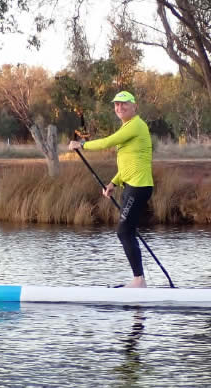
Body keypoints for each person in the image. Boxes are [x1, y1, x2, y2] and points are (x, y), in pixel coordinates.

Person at [68, 91, 153, 288]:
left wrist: (82, 144)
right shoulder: (128, 127)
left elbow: (107, 142)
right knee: (127, 231)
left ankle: (139, 281)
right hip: (132, 185)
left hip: (139, 187)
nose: (119, 107)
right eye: (116, 104)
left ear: (134, 106)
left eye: (124, 104)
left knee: (124, 231)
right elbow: (129, 165)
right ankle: (139, 280)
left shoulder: (136, 125)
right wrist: (113, 183)